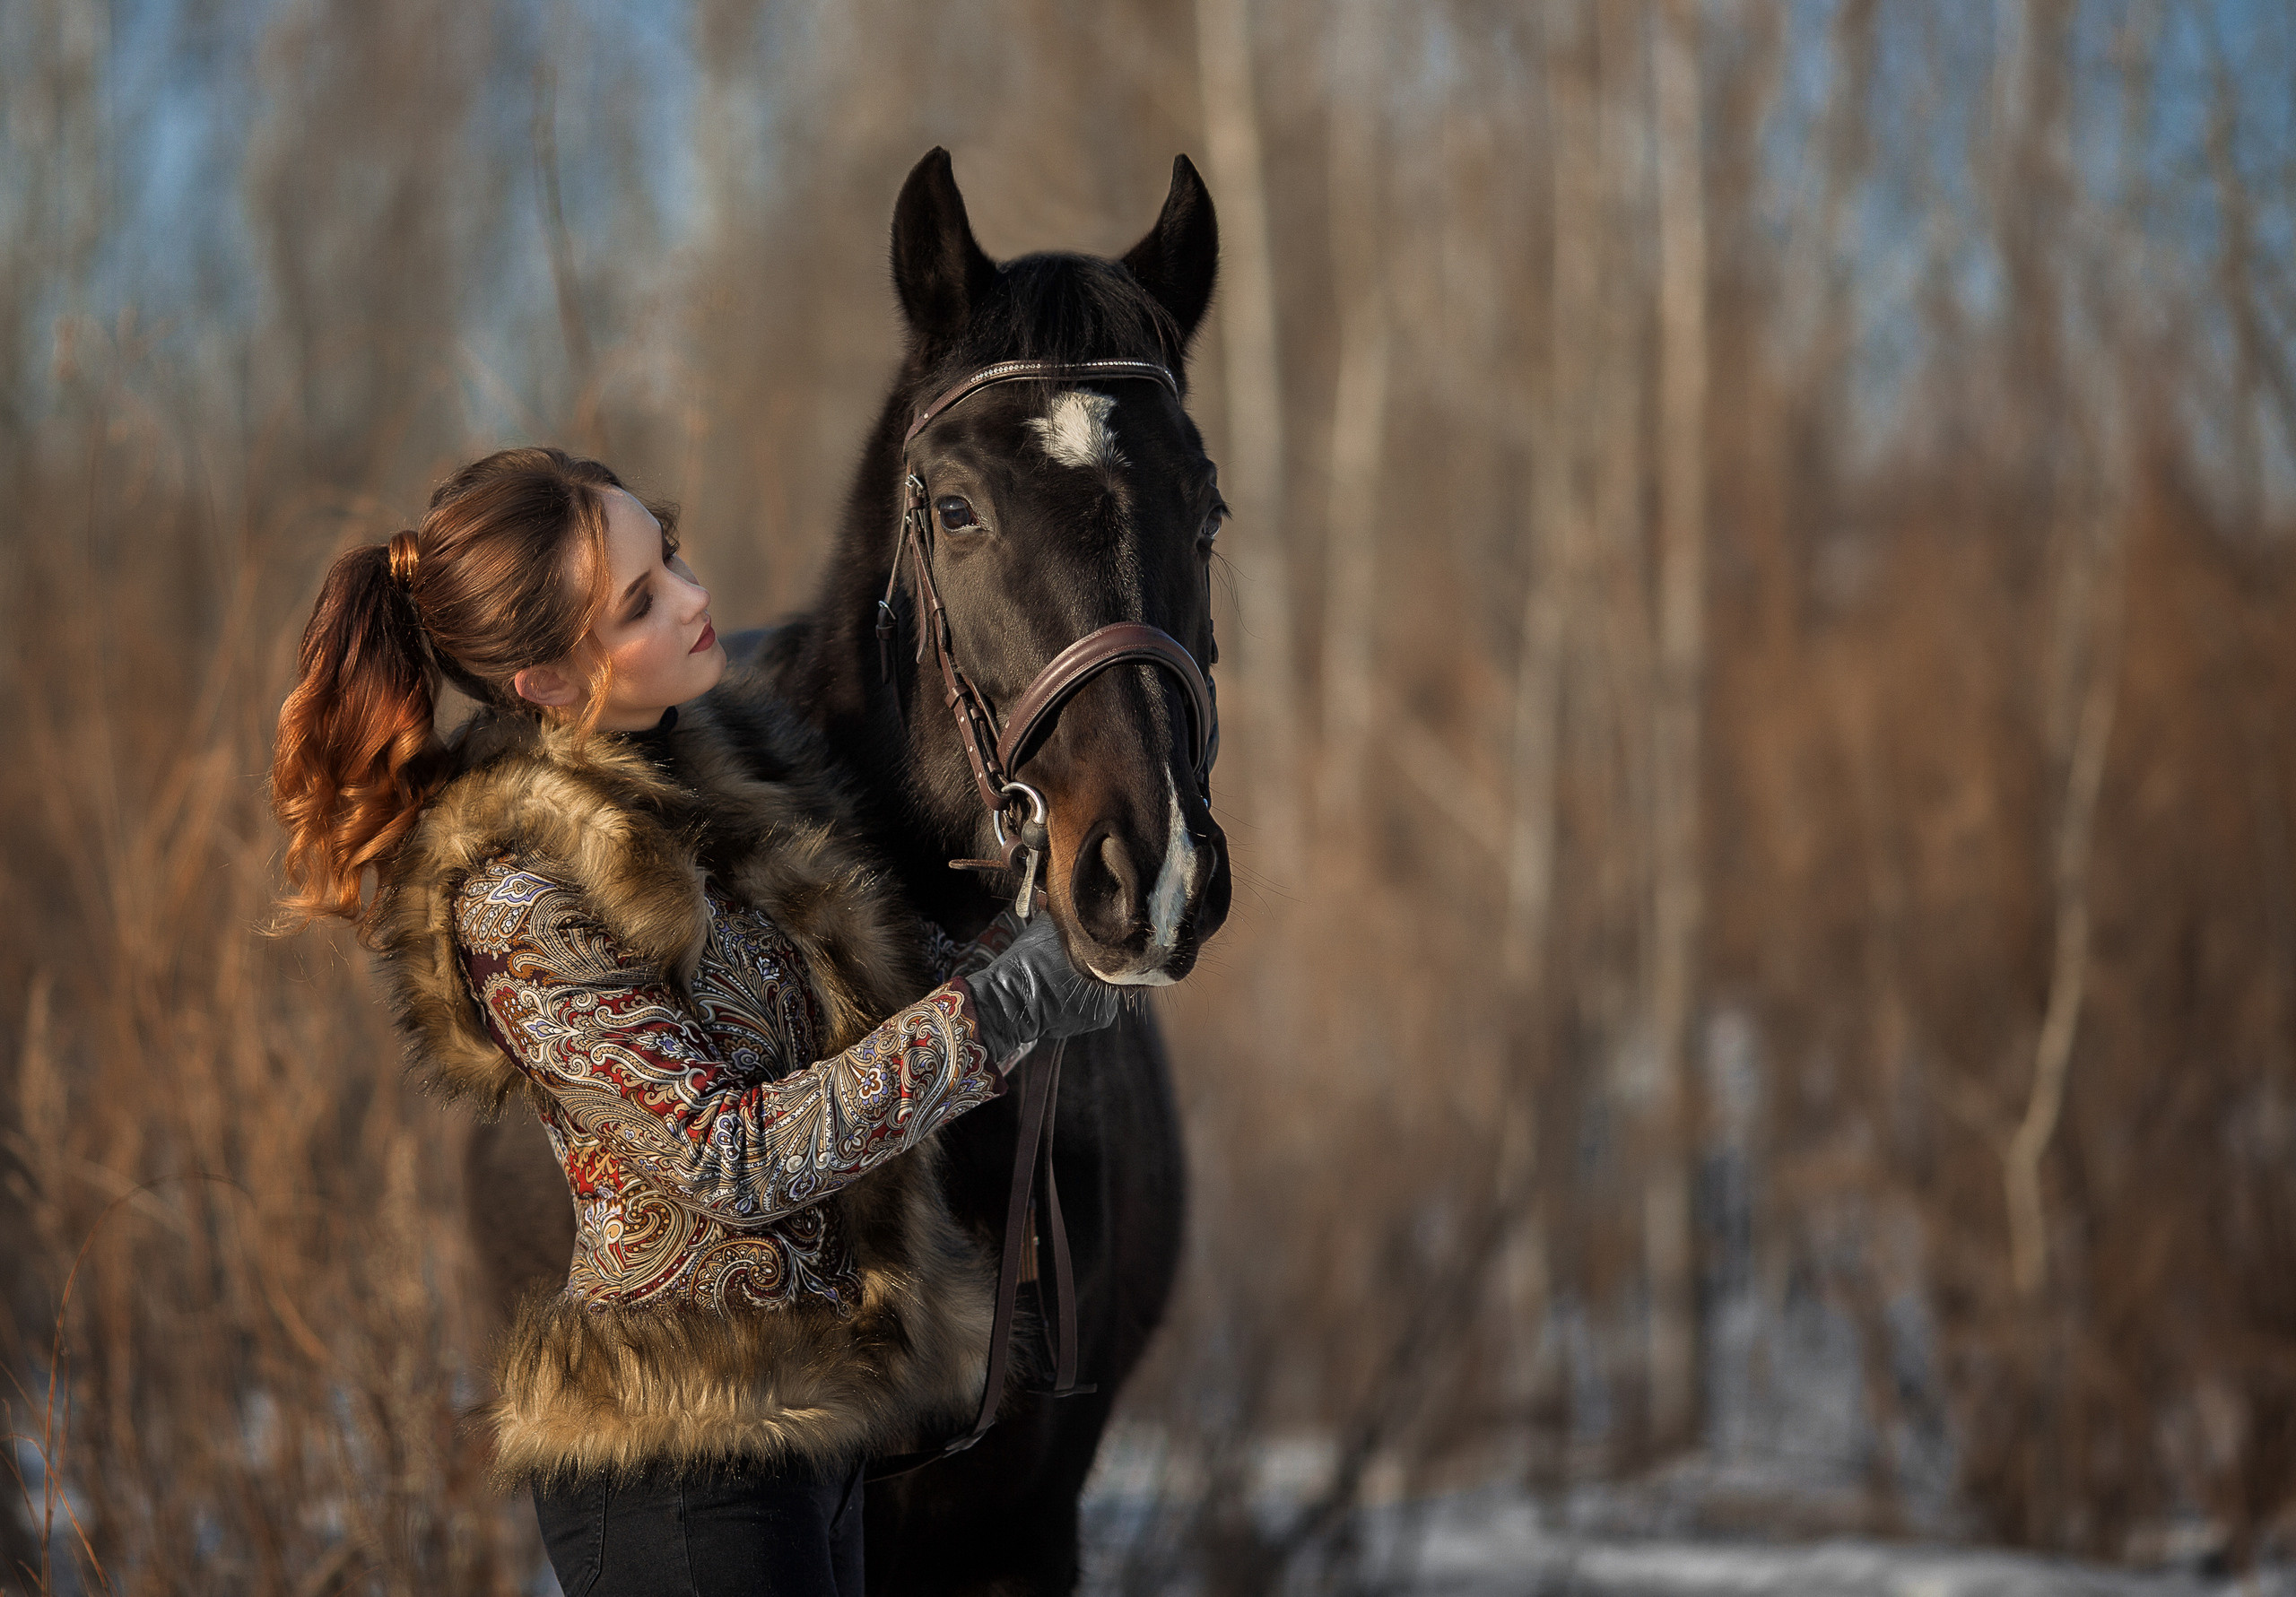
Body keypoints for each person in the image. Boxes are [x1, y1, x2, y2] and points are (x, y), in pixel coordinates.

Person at [269, 446, 1116, 1596]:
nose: (695, 595)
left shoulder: (726, 815)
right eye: (640, 600)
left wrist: (1058, 939)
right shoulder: (519, 895)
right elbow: (732, 1155)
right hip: (670, 1466)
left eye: (667, 553)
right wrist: (1000, 1010)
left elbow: (870, 1037)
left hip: (809, 1428)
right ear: (550, 684)